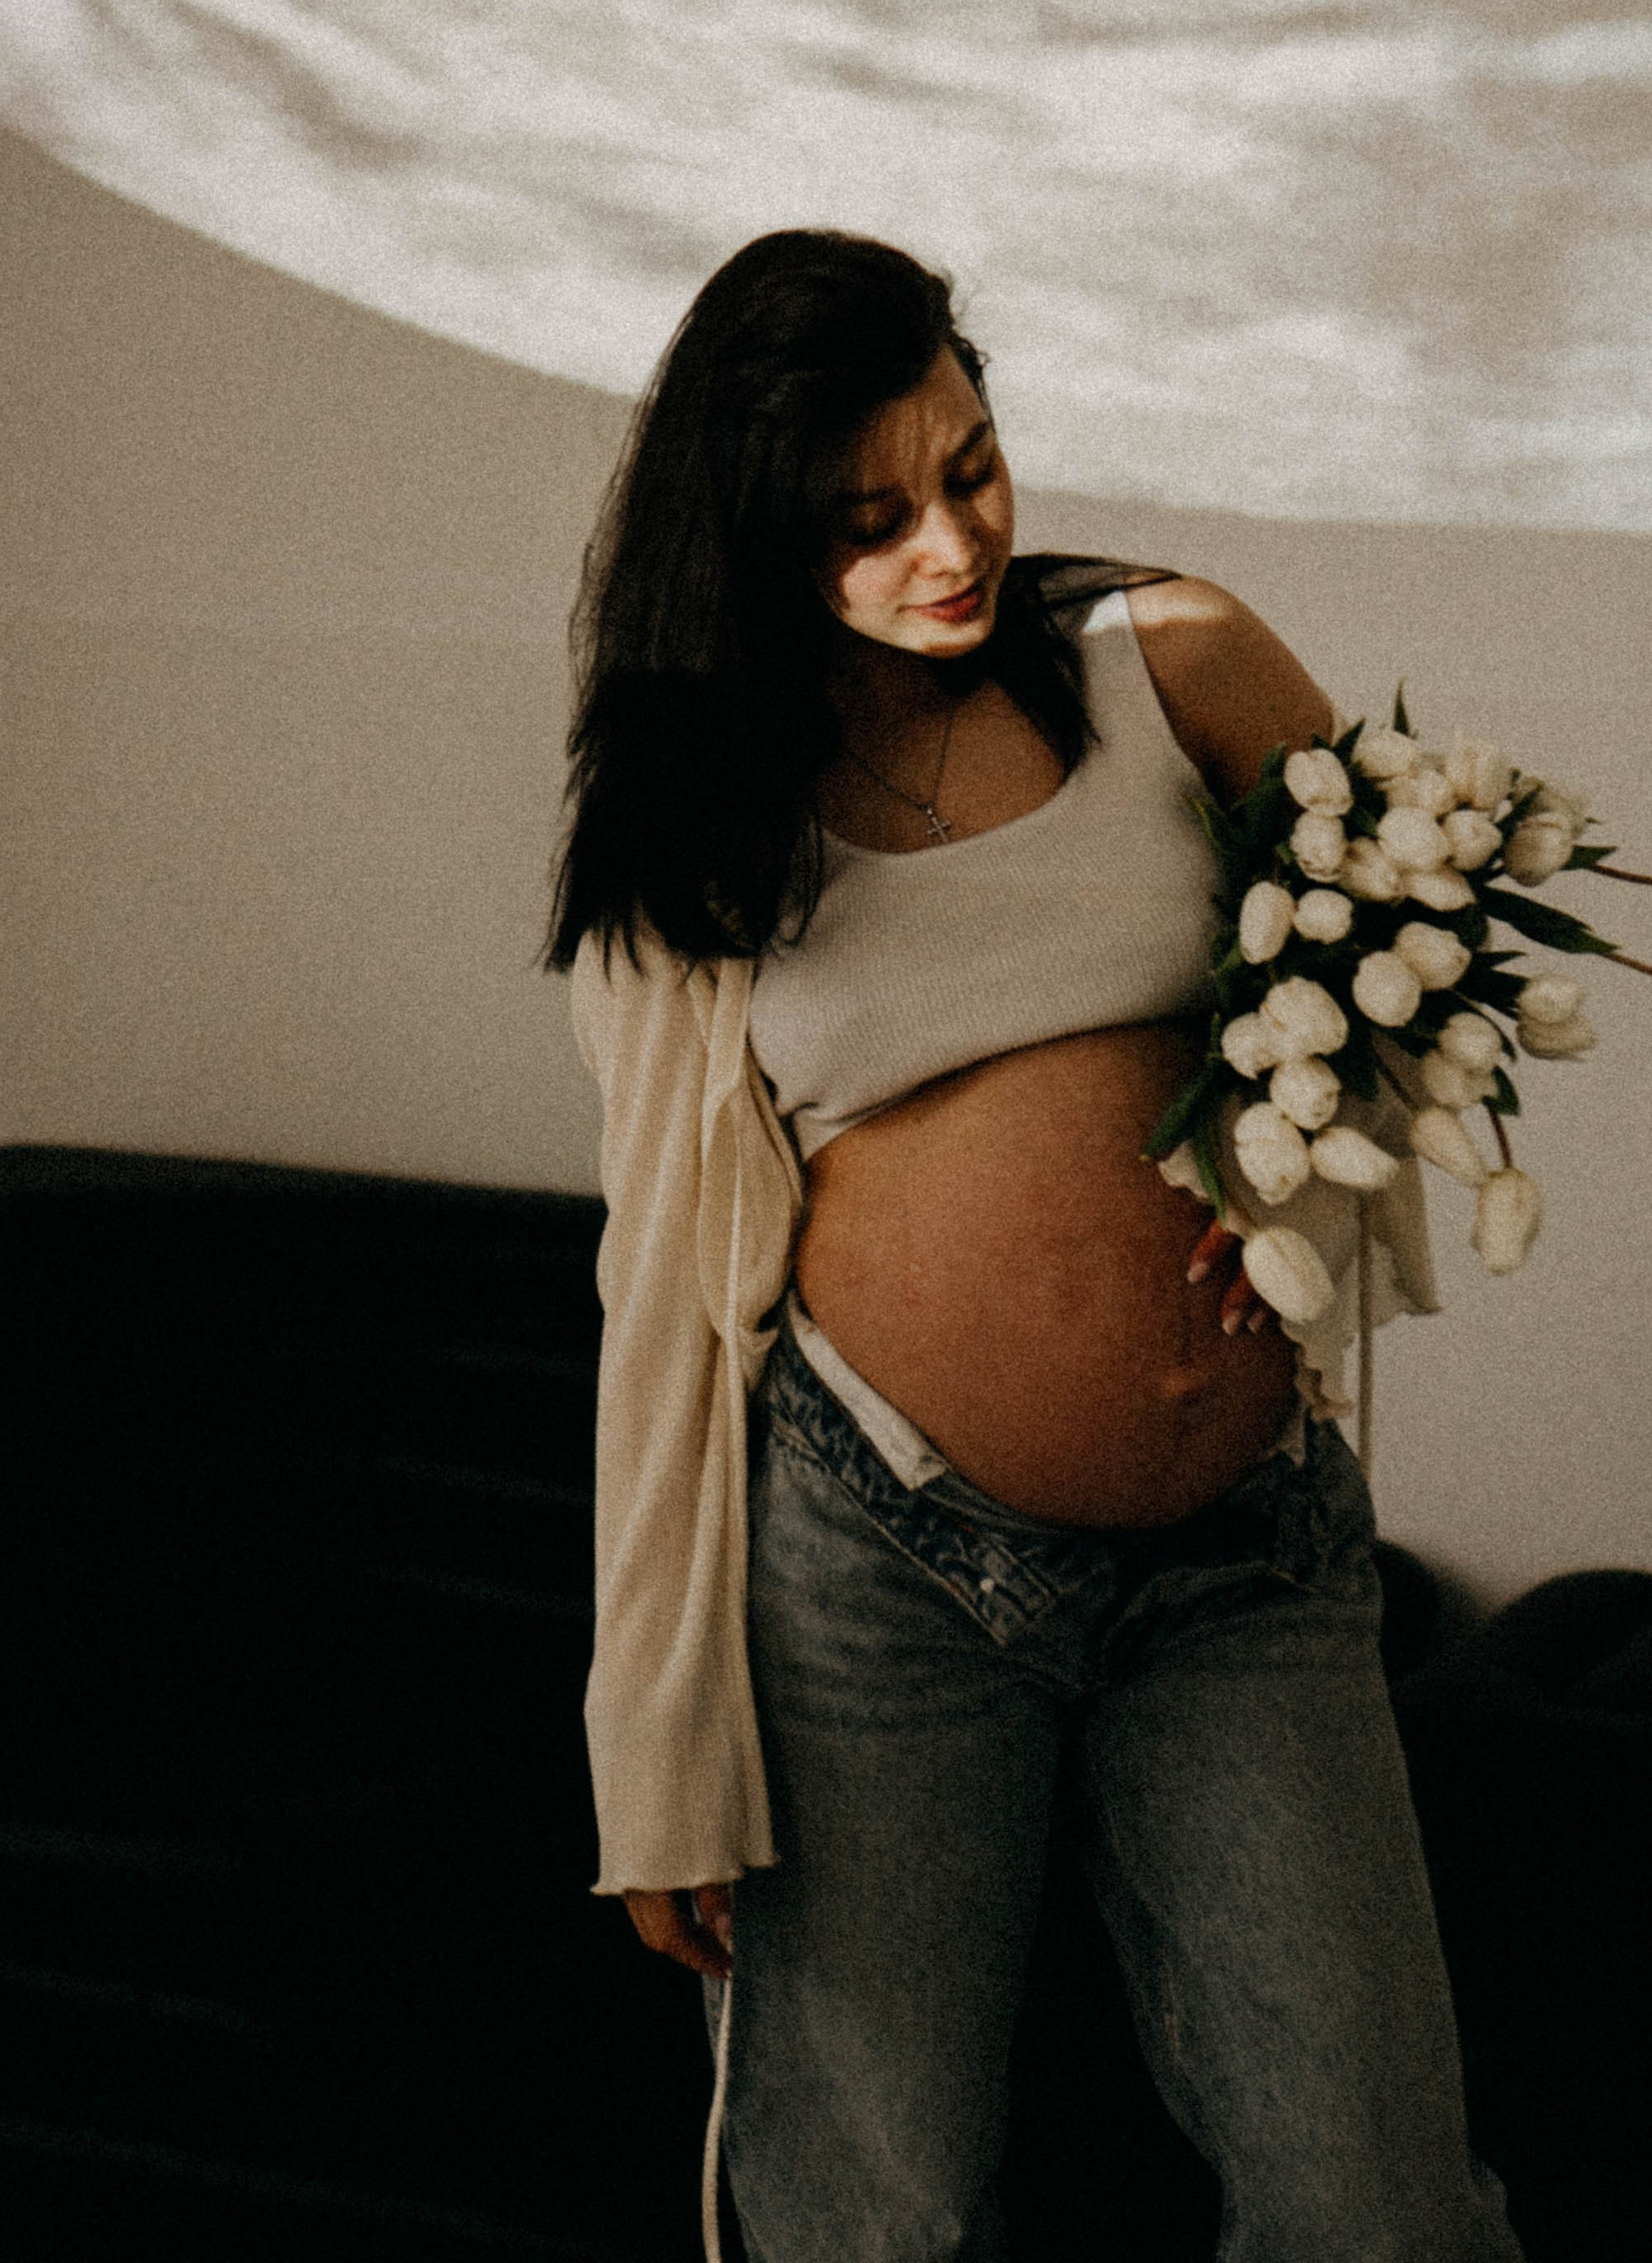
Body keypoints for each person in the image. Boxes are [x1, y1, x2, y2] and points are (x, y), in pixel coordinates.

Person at [547, 228, 1521, 2263]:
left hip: (1240, 1553)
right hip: (875, 1568)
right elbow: (657, 1289)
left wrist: (1293, 1171)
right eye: (866, 515)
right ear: (746, 529)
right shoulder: (695, 814)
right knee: (866, 2211)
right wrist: (656, 1756)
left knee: (1381, 2207)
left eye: (971, 467)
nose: (947, 545)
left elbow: (1404, 963)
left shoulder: (1164, 663)